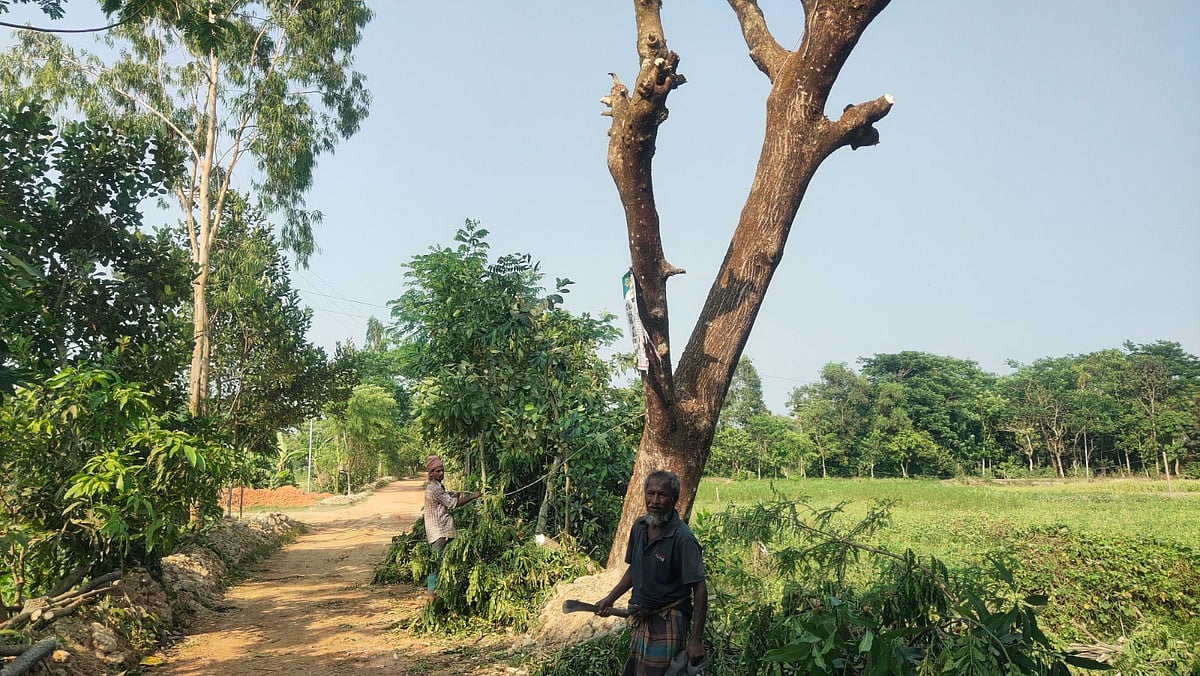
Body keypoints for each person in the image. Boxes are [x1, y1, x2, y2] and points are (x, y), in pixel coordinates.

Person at [595, 470, 708, 676]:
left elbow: (699, 588)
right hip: (642, 618)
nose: (655, 500)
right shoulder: (639, 527)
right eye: (650, 493)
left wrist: (696, 639)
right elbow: (635, 569)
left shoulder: (683, 539)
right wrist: (610, 598)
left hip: (669, 619)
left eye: (662, 495)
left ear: (674, 499)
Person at [423, 454, 482, 599]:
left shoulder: (437, 487)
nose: (441, 473)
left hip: (442, 530)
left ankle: (441, 592)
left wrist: (454, 494)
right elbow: (452, 504)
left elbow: (447, 497)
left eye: (442, 470)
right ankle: (432, 595)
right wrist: (473, 497)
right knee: (436, 563)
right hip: (439, 531)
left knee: (445, 560)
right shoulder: (434, 489)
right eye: (438, 471)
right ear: (431, 473)